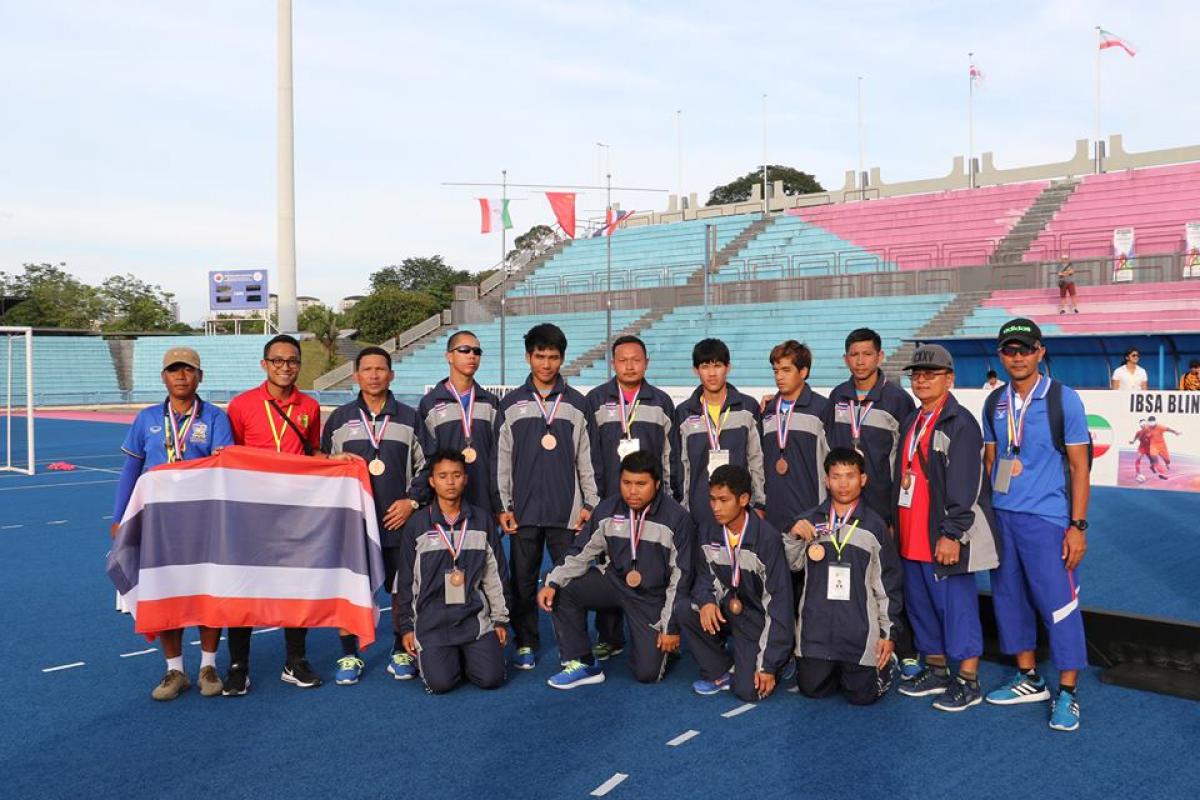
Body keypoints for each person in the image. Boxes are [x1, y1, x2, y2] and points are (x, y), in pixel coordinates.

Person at [982, 318, 1090, 732]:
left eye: (1025, 349)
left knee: (1059, 605)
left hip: (1048, 520)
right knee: (1009, 600)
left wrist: (1077, 525)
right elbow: (992, 462)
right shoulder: (994, 403)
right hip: (1003, 518)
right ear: (1001, 356)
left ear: (1040, 352)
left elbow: (1080, 468)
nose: (1018, 356)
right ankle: (1028, 677)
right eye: (1010, 350)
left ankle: (1068, 691)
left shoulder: (1064, 400)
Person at [111, 346, 234, 701]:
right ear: (163, 376)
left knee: (208, 587)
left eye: (189, 370)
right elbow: (131, 470)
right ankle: (174, 670)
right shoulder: (146, 418)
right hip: (157, 521)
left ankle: (208, 665)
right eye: (174, 370)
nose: (182, 376)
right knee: (164, 589)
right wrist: (120, 517)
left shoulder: (214, 418)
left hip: (203, 518)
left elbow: (222, 467)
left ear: (200, 375)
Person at [892, 345, 999, 712]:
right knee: (921, 607)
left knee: (958, 608)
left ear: (949, 379)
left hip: (941, 535)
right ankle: (936, 670)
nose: (921, 380)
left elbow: (966, 484)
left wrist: (952, 533)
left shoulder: (961, 423)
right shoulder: (913, 419)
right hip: (911, 533)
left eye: (930, 374)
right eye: (916, 375)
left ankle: (968, 679)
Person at [223, 334, 326, 694]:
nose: (286, 367)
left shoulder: (309, 407)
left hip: (295, 512)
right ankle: (238, 666)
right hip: (251, 512)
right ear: (264, 364)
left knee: (295, 585)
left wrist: (337, 463)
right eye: (278, 360)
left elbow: (313, 451)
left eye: (292, 361)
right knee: (244, 586)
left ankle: (294, 661)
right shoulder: (241, 406)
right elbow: (229, 457)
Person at [538, 451, 695, 688]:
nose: (632, 491)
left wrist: (670, 626)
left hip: (651, 598)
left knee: (647, 674)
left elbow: (681, 579)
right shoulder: (607, 509)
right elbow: (580, 552)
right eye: (627, 483)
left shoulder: (677, 518)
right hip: (613, 582)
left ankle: (661, 649)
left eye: (641, 484)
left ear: (657, 484)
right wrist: (552, 582)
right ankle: (582, 663)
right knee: (560, 586)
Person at [321, 346, 429, 684]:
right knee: (349, 590)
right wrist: (329, 463)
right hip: (353, 524)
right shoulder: (339, 420)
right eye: (366, 369)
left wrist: (412, 501)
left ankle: (400, 648)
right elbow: (323, 467)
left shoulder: (411, 417)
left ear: (391, 374)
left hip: (398, 522)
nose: (373, 375)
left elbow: (428, 467)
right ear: (356, 376)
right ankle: (349, 654)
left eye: (380, 369)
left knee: (401, 591)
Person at [496, 323, 599, 670]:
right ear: (528, 357)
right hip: (523, 513)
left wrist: (590, 504)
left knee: (569, 582)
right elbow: (502, 462)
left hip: (566, 514)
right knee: (522, 582)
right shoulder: (510, 404)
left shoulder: (578, 404)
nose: (546, 364)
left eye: (553, 357)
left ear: (562, 359)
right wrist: (504, 506)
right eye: (540, 356)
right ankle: (525, 641)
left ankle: (574, 646)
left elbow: (586, 459)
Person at [822, 327, 918, 679]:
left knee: (889, 578)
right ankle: (852, 642)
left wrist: (894, 514)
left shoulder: (896, 399)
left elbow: (903, 462)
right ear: (846, 359)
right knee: (848, 573)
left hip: (880, 507)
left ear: (880, 356)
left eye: (867, 354)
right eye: (853, 354)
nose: (860, 361)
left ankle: (905, 647)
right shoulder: (837, 396)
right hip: (843, 505)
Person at [583, 334, 677, 661]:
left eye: (636, 359)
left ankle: (659, 628)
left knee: (655, 569)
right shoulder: (595, 400)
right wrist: (592, 502)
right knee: (610, 568)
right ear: (613, 364)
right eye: (623, 360)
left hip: (652, 505)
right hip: (610, 503)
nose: (630, 365)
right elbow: (588, 456)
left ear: (646, 362)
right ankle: (610, 637)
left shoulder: (661, 402)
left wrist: (669, 499)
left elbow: (669, 457)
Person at [784, 448, 901, 706]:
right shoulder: (808, 521)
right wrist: (793, 537)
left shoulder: (875, 527)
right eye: (836, 476)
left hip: (858, 630)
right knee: (812, 689)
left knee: (862, 697)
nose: (843, 483)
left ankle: (882, 666)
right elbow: (793, 566)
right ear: (826, 480)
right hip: (816, 630)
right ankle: (831, 667)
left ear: (863, 479)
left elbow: (888, 584)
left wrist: (888, 635)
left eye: (850, 475)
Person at [395, 449, 510, 694]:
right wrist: (406, 627)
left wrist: (500, 619)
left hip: (473, 619)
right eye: (443, 475)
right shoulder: (417, 524)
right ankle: (448, 656)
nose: (450, 482)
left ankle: (469, 654)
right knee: (441, 684)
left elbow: (495, 575)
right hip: (432, 623)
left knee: (492, 679)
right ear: (431, 481)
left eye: (456, 475)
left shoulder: (481, 520)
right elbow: (405, 581)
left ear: (465, 479)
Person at [680, 464, 792, 702]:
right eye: (712, 499)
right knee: (686, 610)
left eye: (723, 500)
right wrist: (707, 600)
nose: (716, 507)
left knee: (749, 692)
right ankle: (720, 670)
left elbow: (778, 605)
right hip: (728, 609)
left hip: (758, 619)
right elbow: (704, 576)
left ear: (743, 499)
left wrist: (768, 666)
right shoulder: (708, 529)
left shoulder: (767, 539)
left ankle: (778, 658)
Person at [673, 338, 766, 524]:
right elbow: (681, 466)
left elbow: (757, 460)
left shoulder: (747, 408)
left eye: (717, 365)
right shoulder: (683, 413)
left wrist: (759, 504)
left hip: (740, 509)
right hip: (698, 511)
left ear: (728, 367)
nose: (712, 373)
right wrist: (683, 508)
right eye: (705, 366)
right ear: (695, 370)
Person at [417, 331, 503, 516]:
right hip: (443, 502)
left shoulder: (491, 402)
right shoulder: (430, 403)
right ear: (449, 356)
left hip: (484, 499)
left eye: (477, 351)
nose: (472, 355)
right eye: (464, 350)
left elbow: (499, 455)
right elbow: (425, 458)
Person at [761, 340, 829, 533]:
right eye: (776, 371)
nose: (779, 377)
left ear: (803, 372)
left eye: (786, 370)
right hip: (773, 517)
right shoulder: (767, 412)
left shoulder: (822, 409)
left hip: (811, 515)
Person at [1143, 416, 1181, 481]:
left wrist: (1175, 432)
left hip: (1162, 445)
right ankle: (1161, 474)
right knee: (1154, 457)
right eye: (1150, 424)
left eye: (1153, 424)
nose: (1151, 426)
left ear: (1155, 422)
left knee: (1167, 460)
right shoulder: (1146, 427)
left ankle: (1164, 464)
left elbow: (1168, 429)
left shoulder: (1160, 427)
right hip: (1153, 445)